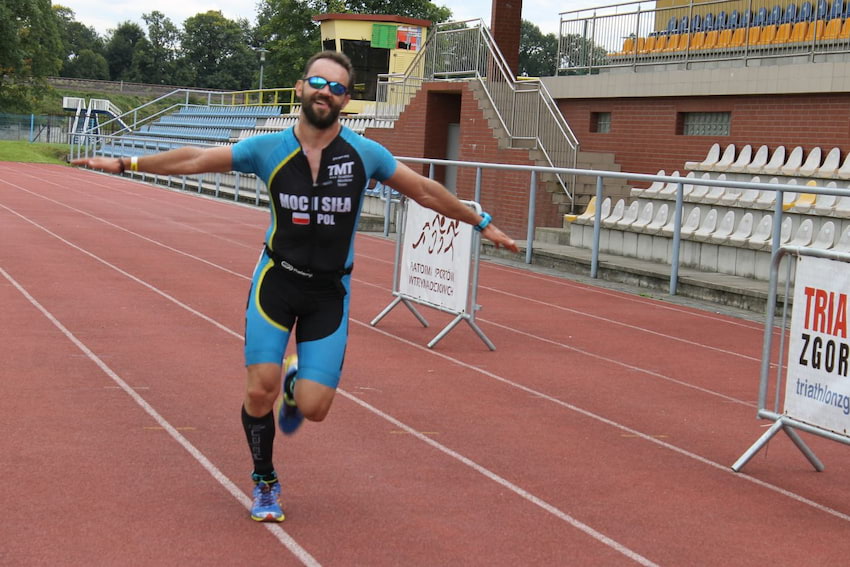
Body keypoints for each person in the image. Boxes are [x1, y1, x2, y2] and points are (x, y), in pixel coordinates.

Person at [72, 50, 518, 523]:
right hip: (276, 282)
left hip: (329, 293)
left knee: (314, 407)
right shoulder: (266, 149)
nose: (328, 92)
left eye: (339, 88)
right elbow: (198, 159)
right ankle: (264, 480)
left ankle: (295, 383)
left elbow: (426, 191)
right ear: (301, 88)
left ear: (346, 101)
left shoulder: (366, 155)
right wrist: (127, 162)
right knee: (256, 390)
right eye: (319, 83)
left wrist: (479, 221)